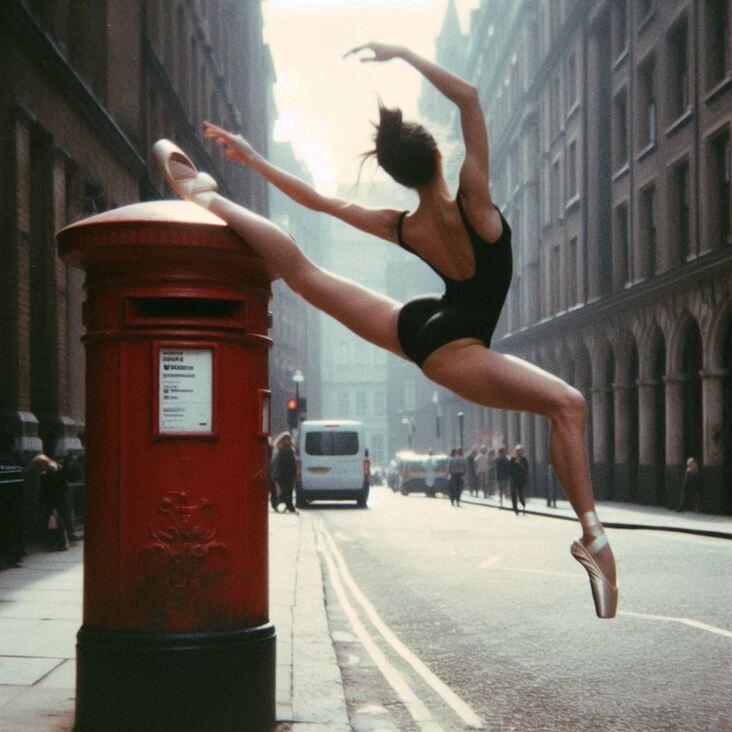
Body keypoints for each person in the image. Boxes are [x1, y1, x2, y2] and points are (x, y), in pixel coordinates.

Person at [153, 40, 617, 618]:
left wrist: (250, 159)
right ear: (441, 159)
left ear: (399, 174)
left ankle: (209, 197)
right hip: (456, 344)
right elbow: (470, 98)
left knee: (303, 272)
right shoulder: (476, 202)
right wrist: (403, 54)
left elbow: (320, 203)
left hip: (424, 321)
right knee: (568, 405)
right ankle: (592, 537)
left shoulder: (405, 225)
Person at [32, 454, 72, 551]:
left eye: (39, 466)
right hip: (57, 499)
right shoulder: (56, 468)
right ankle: (61, 543)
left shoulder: (51, 472)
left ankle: (59, 543)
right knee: (57, 522)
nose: (39, 469)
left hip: (55, 500)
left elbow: (49, 489)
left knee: (56, 522)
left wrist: (44, 500)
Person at [271, 432, 298, 514]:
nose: (288, 441)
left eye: (289, 439)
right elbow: (280, 464)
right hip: (285, 475)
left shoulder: (283, 450)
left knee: (286, 492)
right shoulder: (285, 450)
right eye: (286, 439)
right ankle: (289, 507)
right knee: (287, 493)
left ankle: (279, 504)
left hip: (286, 475)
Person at [509, 445, 529, 516]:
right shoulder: (512, 459)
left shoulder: (524, 460)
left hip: (521, 480)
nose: (518, 453)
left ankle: (523, 507)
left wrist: (525, 478)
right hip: (514, 480)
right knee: (514, 494)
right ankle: (515, 508)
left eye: (519, 451)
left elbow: (526, 470)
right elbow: (509, 469)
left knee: (521, 494)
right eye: (517, 451)